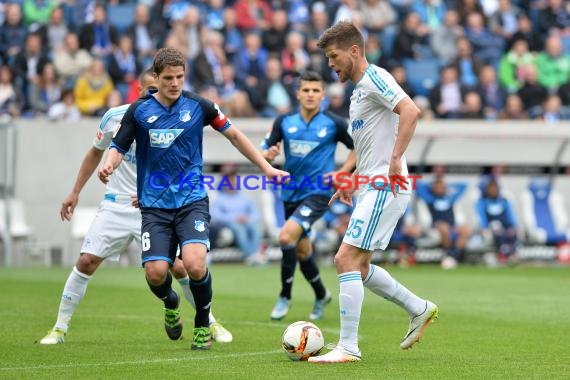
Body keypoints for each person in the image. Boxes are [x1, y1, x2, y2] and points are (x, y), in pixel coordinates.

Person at [97, 48, 289, 350]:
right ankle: (171, 302)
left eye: (180, 77)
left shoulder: (198, 106)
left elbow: (235, 135)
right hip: (155, 207)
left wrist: (265, 167)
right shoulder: (140, 111)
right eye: (169, 78)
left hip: (192, 201)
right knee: (156, 272)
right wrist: (110, 163)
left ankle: (202, 324)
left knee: (196, 265)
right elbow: (118, 146)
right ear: (156, 78)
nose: (175, 83)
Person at [40, 69, 233, 345]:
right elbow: (95, 153)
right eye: (149, 89)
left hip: (158, 206)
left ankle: (209, 322)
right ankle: (59, 328)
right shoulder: (117, 117)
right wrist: (74, 192)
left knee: (181, 267)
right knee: (86, 260)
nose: (155, 94)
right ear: (138, 89)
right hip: (118, 205)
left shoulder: (175, 114)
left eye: (160, 88)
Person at [308, 21, 438, 363]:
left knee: (344, 259)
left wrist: (395, 159)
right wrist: (347, 176)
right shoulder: (358, 91)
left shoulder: (375, 78)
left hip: (385, 183)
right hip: (370, 185)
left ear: (354, 51)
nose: (331, 64)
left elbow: (411, 110)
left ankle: (348, 348)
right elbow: (364, 142)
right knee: (359, 267)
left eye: (334, 56)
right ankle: (418, 308)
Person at [261, 70, 356, 321]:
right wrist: (267, 156)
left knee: (285, 237)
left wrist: (342, 172)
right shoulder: (284, 122)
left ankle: (285, 296)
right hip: (291, 192)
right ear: (298, 94)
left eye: (316, 90)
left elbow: (358, 149)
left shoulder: (334, 123)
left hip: (318, 192)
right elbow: (263, 150)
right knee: (302, 251)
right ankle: (322, 294)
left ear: (323, 94)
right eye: (306, 90)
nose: (311, 95)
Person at [210, 162, 266, 264]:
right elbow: (215, 215)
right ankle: (251, 255)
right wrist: (234, 217)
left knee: (255, 227)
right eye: (228, 180)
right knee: (239, 229)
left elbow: (256, 214)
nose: (231, 182)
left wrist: (247, 218)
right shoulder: (219, 197)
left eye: (233, 179)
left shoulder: (243, 196)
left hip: (246, 221)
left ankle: (254, 255)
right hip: (230, 223)